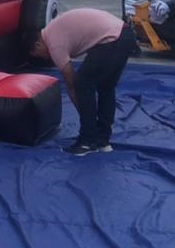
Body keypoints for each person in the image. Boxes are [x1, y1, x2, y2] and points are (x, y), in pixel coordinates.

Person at [27, 8, 138, 156]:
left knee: (83, 83)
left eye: (39, 55)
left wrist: (86, 115)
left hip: (111, 40)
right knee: (106, 87)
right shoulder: (53, 29)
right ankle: (102, 141)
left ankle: (86, 142)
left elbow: (71, 84)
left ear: (37, 45)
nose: (44, 58)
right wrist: (88, 114)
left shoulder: (53, 43)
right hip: (125, 35)